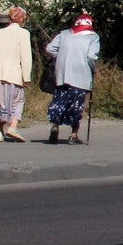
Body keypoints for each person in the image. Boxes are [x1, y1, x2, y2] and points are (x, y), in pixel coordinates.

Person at [45, 12, 100, 145]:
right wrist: (94, 69)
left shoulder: (64, 34)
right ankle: (73, 135)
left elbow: (49, 48)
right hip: (81, 75)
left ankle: (55, 126)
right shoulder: (93, 37)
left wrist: (61, 56)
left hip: (63, 74)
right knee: (76, 105)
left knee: (60, 101)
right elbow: (92, 56)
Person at [0, 7, 34, 142]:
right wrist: (27, 76)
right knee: (18, 101)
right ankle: (12, 127)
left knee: (1, 102)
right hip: (14, 74)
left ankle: (0, 132)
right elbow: (26, 57)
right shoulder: (23, 33)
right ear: (22, 19)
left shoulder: (0, 33)